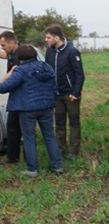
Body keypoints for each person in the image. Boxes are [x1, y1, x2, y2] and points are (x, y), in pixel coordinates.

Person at [0, 44, 63, 177]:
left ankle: (32, 169)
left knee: (29, 138)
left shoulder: (21, 71)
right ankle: (57, 166)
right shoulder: (47, 67)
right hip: (47, 107)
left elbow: (3, 88)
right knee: (49, 136)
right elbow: (53, 85)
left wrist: (10, 73)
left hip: (27, 109)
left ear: (20, 57)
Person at [44, 24, 85, 158]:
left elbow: (80, 74)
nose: (46, 40)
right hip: (56, 94)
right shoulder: (49, 51)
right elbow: (47, 71)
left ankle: (73, 151)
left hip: (70, 95)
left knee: (73, 122)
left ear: (57, 37)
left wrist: (76, 92)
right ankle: (60, 149)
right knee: (59, 123)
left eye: (48, 37)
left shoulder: (72, 51)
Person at [0, 31, 22, 164]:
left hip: (22, 97)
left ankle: (14, 158)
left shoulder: (21, 55)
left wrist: (2, 85)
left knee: (16, 127)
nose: (2, 48)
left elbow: (12, 75)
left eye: (3, 45)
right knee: (12, 126)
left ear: (12, 42)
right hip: (15, 96)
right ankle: (12, 157)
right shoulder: (11, 54)